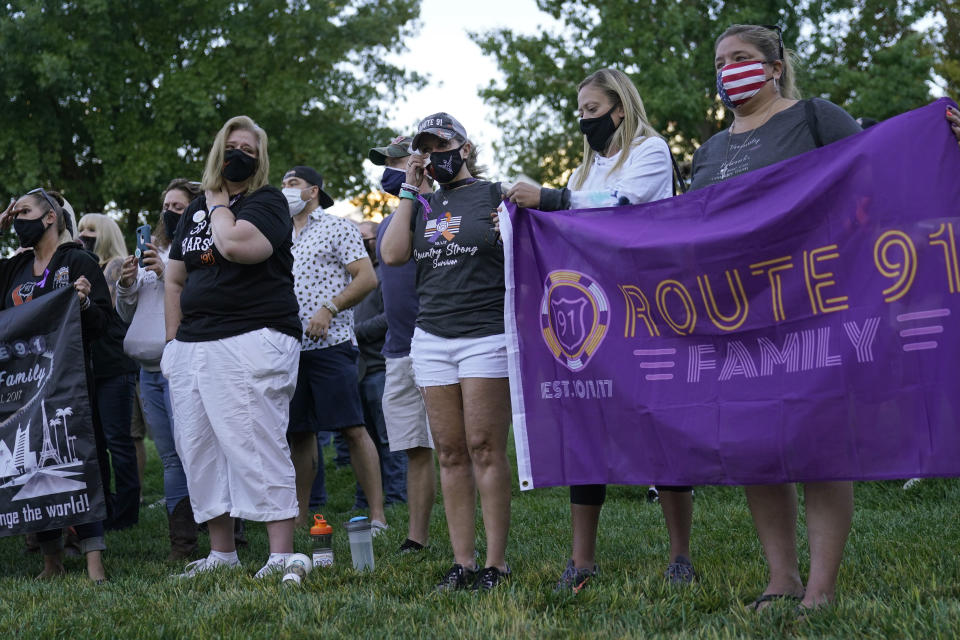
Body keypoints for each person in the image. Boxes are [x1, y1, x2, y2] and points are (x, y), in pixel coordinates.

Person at [503, 68, 684, 592]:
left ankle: (680, 554)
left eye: (592, 109)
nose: (585, 119)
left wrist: (551, 200)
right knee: (586, 425)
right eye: (580, 111)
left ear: (619, 109)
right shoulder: (584, 172)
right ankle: (582, 560)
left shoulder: (650, 152)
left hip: (645, 307)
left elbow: (622, 206)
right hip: (595, 317)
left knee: (659, 424)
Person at [163, 115, 302, 579]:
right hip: (193, 344)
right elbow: (176, 277)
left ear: (259, 160)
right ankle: (222, 553)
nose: (238, 153)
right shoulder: (193, 209)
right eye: (231, 145)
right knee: (199, 450)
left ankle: (282, 553)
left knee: (253, 442)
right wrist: (171, 344)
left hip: (252, 336)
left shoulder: (268, 201)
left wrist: (220, 205)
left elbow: (238, 246)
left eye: (249, 148)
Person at [381, 113, 512, 590]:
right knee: (451, 452)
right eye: (426, 147)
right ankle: (463, 561)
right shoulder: (422, 203)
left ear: (465, 147)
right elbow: (393, 255)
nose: (434, 154)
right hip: (431, 338)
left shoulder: (496, 194)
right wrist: (409, 192)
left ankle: (496, 564)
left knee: (483, 447)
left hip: (484, 334)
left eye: (443, 145)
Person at [0, 189, 110, 583]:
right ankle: (52, 563)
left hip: (68, 383)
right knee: (31, 466)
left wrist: (81, 303)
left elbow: (103, 322)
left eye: (24, 211)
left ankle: (95, 563)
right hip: (20, 390)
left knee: (77, 461)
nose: (16, 219)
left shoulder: (78, 260)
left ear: (50, 217)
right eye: (12, 214)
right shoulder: (13, 268)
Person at [281, 165, 386, 532]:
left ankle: (377, 516)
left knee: (352, 429)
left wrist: (329, 308)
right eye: (283, 184)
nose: (285, 190)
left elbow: (367, 277)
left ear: (313, 191)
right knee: (300, 434)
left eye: (292, 184)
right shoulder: (277, 234)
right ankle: (298, 518)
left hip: (333, 344)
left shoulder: (337, 226)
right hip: (290, 350)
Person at [117, 178, 203, 559]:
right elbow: (127, 313)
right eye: (166, 206)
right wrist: (126, 285)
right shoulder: (153, 250)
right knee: (169, 456)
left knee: (197, 449)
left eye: (179, 207)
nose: (169, 212)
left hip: (182, 364)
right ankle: (181, 543)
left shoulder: (201, 251)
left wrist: (168, 267)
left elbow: (197, 298)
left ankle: (227, 529)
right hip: (147, 371)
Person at [369, 135, 437, 554]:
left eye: (396, 160)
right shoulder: (392, 218)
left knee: (457, 448)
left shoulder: (440, 211)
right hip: (399, 348)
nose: (388, 171)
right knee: (415, 447)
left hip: (439, 343)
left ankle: (472, 538)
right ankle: (417, 537)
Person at [76, 213, 140, 530]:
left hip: (114, 362)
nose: (84, 234)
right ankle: (104, 508)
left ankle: (126, 513)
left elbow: (110, 309)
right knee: (96, 441)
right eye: (80, 230)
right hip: (88, 364)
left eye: (91, 230)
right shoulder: (78, 268)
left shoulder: (114, 264)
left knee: (118, 440)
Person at [351, 220, 408, 510]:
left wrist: (354, 333)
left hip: (379, 367)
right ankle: (365, 501)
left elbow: (390, 316)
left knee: (388, 440)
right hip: (356, 369)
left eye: (365, 237)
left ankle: (396, 500)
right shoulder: (354, 275)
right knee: (363, 440)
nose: (360, 241)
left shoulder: (386, 273)